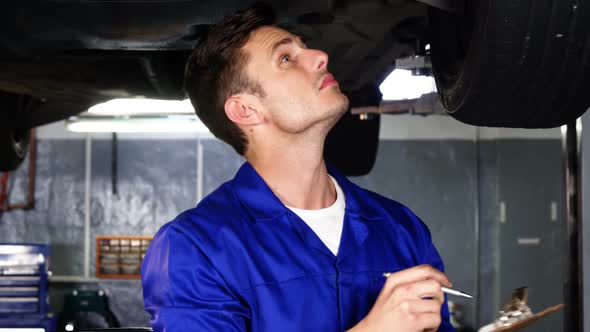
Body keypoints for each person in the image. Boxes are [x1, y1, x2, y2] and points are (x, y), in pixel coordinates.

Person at [141, 3, 455, 331]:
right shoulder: (195, 247)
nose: (320, 56)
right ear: (246, 110)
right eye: (286, 59)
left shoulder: (400, 228)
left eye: (304, 47)